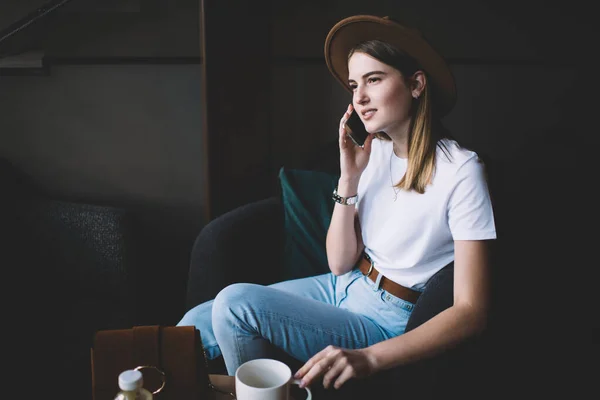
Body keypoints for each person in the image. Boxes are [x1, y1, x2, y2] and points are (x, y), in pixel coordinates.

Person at [177, 14, 496, 392]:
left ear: (415, 84)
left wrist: (371, 357)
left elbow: (472, 312)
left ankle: (261, 392)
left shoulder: (462, 171)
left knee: (233, 303)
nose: (359, 98)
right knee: (192, 326)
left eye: (373, 80)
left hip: (387, 316)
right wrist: (349, 179)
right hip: (343, 283)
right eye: (353, 85)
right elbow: (339, 262)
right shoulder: (375, 149)